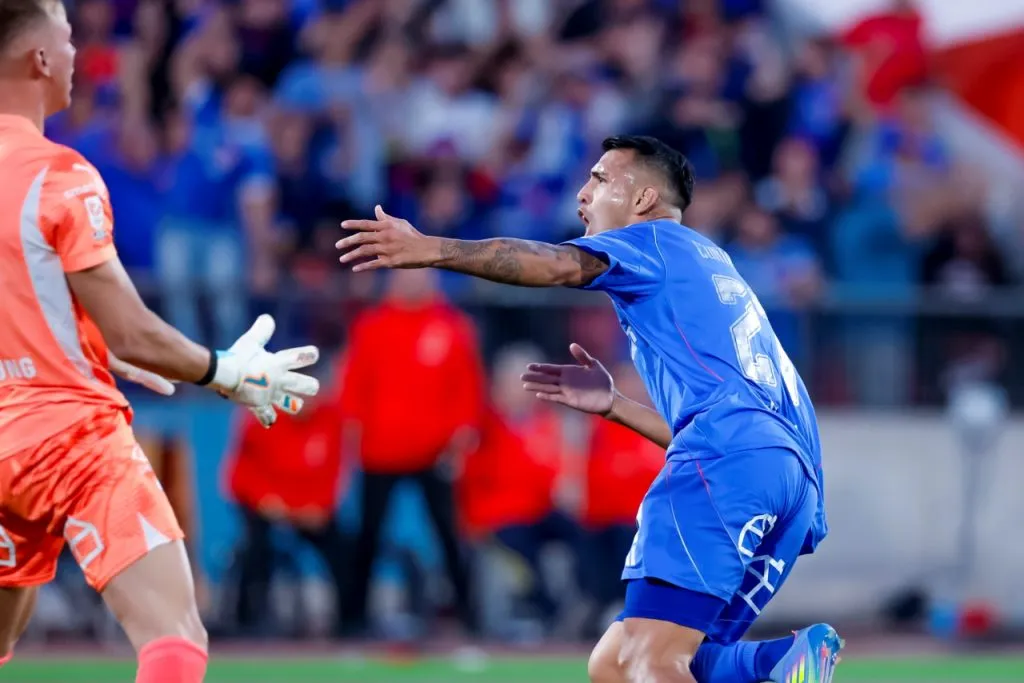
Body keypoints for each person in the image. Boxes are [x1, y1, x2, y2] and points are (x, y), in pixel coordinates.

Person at [336, 134, 840, 683]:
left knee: (649, 662)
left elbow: (555, 266)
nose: (582, 194)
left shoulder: (653, 242)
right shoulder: (711, 263)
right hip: (790, 481)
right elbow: (741, 432)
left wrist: (434, 249)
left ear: (645, 200)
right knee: (618, 663)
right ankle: (778, 664)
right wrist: (617, 406)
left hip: (727, 465)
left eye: (599, 179)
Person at [0, 3, 320, 682]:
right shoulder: (61, 174)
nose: (79, 53)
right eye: (67, 37)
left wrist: (81, 341)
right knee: (173, 635)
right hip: (68, 438)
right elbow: (133, 327)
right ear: (40, 61)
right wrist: (225, 370)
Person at [338, 269, 484, 634]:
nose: (413, 283)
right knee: (367, 536)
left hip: (434, 454)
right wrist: (352, 437)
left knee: (448, 536)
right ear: (393, 282)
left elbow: (467, 387)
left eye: (420, 277)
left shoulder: (453, 326)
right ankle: (352, 618)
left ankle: (469, 617)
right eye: (405, 277)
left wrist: (460, 439)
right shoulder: (371, 326)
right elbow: (354, 385)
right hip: (379, 452)